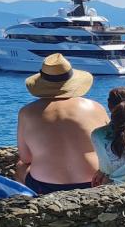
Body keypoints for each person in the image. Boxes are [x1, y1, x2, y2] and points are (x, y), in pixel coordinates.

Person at [16, 54, 109, 194]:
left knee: (20, 166)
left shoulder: (26, 112)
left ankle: (32, 208)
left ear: (42, 82)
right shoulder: (96, 107)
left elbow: (26, 157)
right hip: (95, 181)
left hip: (45, 184)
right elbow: (109, 147)